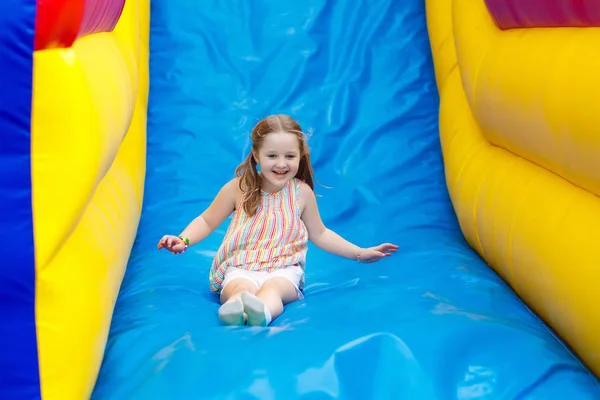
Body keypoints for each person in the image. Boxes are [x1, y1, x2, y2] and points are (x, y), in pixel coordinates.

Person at [157, 114, 398, 327]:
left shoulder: (301, 193)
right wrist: (183, 239)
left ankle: (262, 312)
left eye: (290, 156)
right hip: (242, 265)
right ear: (256, 155)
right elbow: (207, 220)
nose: (281, 164)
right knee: (240, 287)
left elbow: (320, 233)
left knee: (272, 290)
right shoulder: (239, 188)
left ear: (300, 157)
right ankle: (232, 310)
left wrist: (359, 253)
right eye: (272, 155)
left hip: (283, 269)